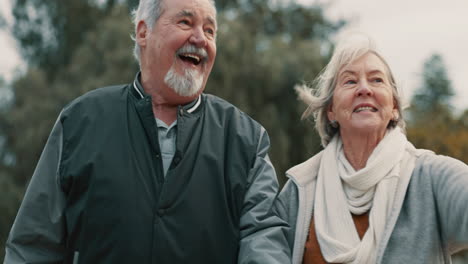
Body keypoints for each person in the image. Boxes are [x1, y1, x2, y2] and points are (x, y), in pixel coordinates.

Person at [4, 0, 290, 263]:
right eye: (185, 23)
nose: (201, 39)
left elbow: (264, 240)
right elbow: (32, 248)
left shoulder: (245, 139)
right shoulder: (80, 121)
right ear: (144, 32)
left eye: (210, 30)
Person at [275, 35, 468, 264]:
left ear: (394, 107)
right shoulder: (300, 189)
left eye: (377, 80)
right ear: (331, 111)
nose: (364, 89)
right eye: (349, 81)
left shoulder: (431, 176)